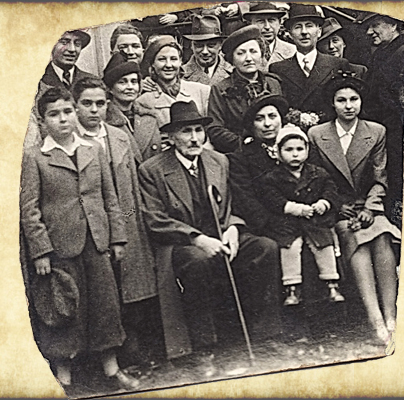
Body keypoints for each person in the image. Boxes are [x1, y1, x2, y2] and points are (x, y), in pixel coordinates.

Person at [138, 101, 282, 377]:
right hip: (182, 245)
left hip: (221, 235)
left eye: (198, 131)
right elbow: (155, 219)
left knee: (264, 248)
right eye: (185, 132)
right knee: (198, 261)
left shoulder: (218, 161)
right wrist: (197, 238)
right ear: (171, 137)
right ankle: (205, 346)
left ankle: (265, 336)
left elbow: (231, 205)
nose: (194, 138)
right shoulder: (152, 170)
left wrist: (233, 229)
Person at [19, 87, 139, 390]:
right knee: (63, 307)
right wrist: (41, 252)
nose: (63, 120)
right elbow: (30, 209)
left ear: (76, 113)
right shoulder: (36, 158)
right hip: (60, 246)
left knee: (105, 304)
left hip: (96, 242)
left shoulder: (92, 149)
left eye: (68, 111)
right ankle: (64, 375)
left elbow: (109, 197)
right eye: (54, 114)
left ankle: (111, 368)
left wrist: (117, 238)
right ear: (42, 120)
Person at [70, 77, 165, 369]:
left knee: (134, 286)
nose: (94, 110)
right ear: (75, 106)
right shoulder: (70, 141)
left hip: (127, 218)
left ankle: (135, 350)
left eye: (100, 103)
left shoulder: (119, 136)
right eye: (87, 104)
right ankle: (106, 358)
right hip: (93, 225)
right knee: (103, 291)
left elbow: (136, 179)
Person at [307, 74, 401, 343]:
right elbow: (316, 179)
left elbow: (380, 177)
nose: (348, 105)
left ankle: (390, 314)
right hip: (338, 209)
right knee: (355, 239)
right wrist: (340, 206)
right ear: (332, 104)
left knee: (381, 235)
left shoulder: (376, 131)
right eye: (341, 100)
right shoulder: (317, 134)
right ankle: (375, 321)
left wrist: (371, 208)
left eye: (354, 99)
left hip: (369, 205)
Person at [257, 125, 345, 306]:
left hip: (315, 220)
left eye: (299, 149)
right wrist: (294, 208)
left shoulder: (318, 173)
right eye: (288, 150)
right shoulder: (272, 178)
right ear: (278, 153)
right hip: (289, 222)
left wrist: (324, 203)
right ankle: (292, 288)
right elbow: (272, 199)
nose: (295, 154)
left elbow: (331, 191)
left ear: (307, 150)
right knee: (290, 246)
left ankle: (332, 284)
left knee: (324, 243)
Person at [361, 13, 404, 228]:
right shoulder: (382, 53)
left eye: (376, 26)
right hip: (385, 134)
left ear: (394, 24)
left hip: (400, 133)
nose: (370, 32)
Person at [207, 25, 282, 153]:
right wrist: (245, 144)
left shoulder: (273, 83)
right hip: (240, 154)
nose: (248, 58)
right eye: (241, 53)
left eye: (253, 51)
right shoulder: (220, 89)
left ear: (261, 54)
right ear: (231, 59)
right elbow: (215, 129)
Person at [269, 4, 344, 129]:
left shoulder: (337, 64)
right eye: (298, 27)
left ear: (319, 31)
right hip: (293, 135)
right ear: (290, 34)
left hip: (329, 130)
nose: (304, 32)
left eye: (309, 26)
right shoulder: (277, 68)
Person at [24, 30, 97, 152]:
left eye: (77, 44)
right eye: (64, 42)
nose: (72, 49)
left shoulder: (92, 81)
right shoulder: (35, 83)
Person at [227, 93, 288, 237]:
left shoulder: (297, 148)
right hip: (268, 226)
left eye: (272, 116)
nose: (267, 124)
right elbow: (246, 200)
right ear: (251, 126)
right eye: (259, 119)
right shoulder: (242, 157)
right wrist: (273, 223)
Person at [135, 36, 211, 134]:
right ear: (152, 64)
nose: (168, 65)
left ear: (180, 62)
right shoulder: (144, 100)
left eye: (173, 59)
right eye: (162, 59)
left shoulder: (202, 91)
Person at [102, 52, 164, 161]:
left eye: (134, 82)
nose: (130, 87)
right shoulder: (105, 120)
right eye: (122, 82)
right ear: (110, 89)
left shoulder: (150, 117)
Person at [181, 15, 233, 86]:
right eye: (199, 46)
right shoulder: (180, 74)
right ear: (191, 46)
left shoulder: (233, 73)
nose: (205, 51)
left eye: (211, 45)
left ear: (220, 45)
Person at [242, 2, 296, 69]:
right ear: (250, 25)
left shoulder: (293, 51)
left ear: (279, 23)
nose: (267, 27)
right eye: (260, 21)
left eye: (271, 20)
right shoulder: (241, 53)